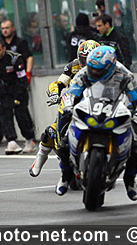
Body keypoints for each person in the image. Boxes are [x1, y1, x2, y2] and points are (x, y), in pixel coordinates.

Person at [54, 46, 137, 200]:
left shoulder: (124, 74)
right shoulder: (84, 72)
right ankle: (65, 176)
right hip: (90, 109)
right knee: (63, 145)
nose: (95, 73)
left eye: (99, 70)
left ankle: (130, 181)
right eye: (92, 69)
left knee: (135, 150)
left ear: (110, 66)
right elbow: (71, 93)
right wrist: (68, 107)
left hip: (114, 111)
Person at [29, 40, 100, 177]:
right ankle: (40, 158)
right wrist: (55, 93)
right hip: (72, 105)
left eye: (92, 58)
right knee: (51, 133)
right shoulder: (73, 66)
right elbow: (59, 83)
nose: (88, 62)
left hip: (95, 106)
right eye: (85, 59)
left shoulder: (106, 67)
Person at [0, 39, 36, 155]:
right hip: (3, 90)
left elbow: (22, 80)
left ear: (4, 48)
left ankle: (29, 140)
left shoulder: (15, 59)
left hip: (18, 88)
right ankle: (11, 141)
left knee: (21, 113)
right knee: (3, 111)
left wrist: (17, 98)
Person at [1, 19, 33, 84]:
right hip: (5, 78)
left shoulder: (20, 42)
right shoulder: (1, 44)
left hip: (19, 76)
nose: (5, 30)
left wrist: (28, 73)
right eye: (3, 28)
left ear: (13, 28)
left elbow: (29, 58)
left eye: (7, 28)